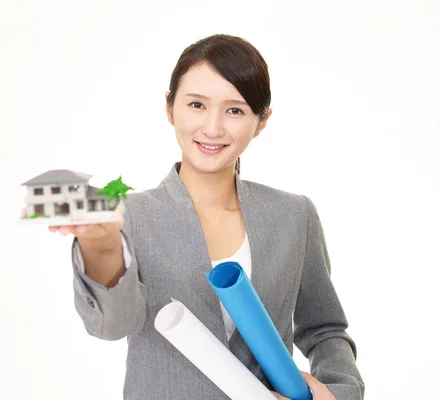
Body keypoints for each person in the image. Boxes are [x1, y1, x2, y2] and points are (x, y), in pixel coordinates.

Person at [49, 34, 365, 399]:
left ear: (261, 121)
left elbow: (325, 328)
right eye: (197, 104)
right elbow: (111, 326)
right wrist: (102, 247)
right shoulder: (129, 216)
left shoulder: (294, 215)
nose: (213, 128)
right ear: (170, 108)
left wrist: (339, 392)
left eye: (235, 110)